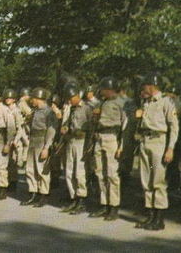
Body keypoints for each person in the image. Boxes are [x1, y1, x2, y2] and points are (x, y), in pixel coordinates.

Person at [134, 73, 179, 231]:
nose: (143, 88)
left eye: (145, 86)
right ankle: (150, 215)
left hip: (159, 143)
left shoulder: (166, 102)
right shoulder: (145, 102)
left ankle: (159, 219)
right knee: (147, 180)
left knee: (158, 181)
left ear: (152, 86)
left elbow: (174, 127)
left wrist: (170, 148)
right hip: (146, 141)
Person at [89, 77, 127, 221]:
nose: (101, 91)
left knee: (112, 174)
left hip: (112, 137)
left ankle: (114, 206)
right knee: (100, 173)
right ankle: (104, 204)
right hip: (100, 136)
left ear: (110, 89)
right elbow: (95, 121)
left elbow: (125, 126)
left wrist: (121, 146)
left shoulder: (121, 104)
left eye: (104, 89)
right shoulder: (101, 103)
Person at [20, 87, 57, 208]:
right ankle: (33, 193)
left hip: (42, 141)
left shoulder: (49, 112)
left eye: (34, 99)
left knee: (42, 169)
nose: (32, 101)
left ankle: (43, 195)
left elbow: (51, 131)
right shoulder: (35, 111)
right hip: (33, 141)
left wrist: (47, 147)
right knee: (30, 169)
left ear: (39, 99)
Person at [60, 85, 93, 214]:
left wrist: (89, 145)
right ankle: (73, 198)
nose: (69, 101)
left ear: (77, 96)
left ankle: (81, 200)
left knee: (80, 171)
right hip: (71, 140)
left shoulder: (86, 109)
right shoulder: (71, 109)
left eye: (71, 98)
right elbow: (68, 124)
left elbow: (91, 127)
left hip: (81, 141)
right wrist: (65, 128)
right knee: (69, 171)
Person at [4, 89, 24, 189]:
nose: (8, 99)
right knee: (5, 161)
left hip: (14, 138)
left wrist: (15, 140)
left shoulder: (16, 111)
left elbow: (20, 127)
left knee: (12, 162)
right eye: (7, 98)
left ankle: (13, 182)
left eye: (10, 98)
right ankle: (6, 181)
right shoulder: (4, 109)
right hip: (5, 138)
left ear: (14, 100)